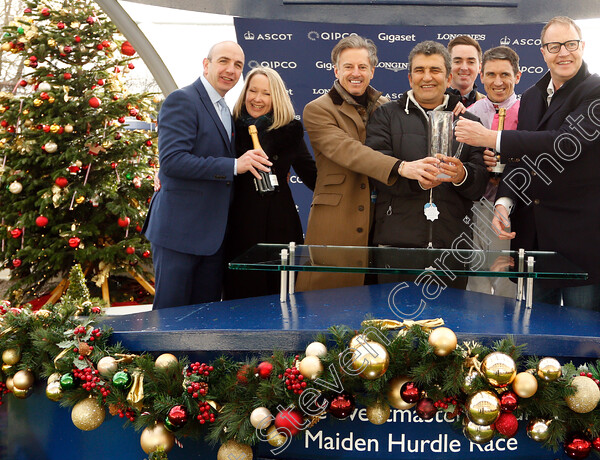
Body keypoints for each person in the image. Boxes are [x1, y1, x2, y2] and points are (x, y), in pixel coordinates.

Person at [455, 17, 600, 310]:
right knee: (532, 338)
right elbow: (521, 159)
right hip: (534, 244)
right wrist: (505, 203)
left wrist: (491, 137)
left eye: (570, 44)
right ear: (543, 52)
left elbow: (565, 143)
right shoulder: (534, 95)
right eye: (554, 46)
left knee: (579, 342)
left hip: (582, 244)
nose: (563, 52)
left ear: (582, 47)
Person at [296, 35, 440, 292]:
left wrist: (456, 107)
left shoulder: (386, 108)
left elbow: (424, 108)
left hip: (383, 224)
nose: (355, 73)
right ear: (336, 69)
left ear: (372, 71)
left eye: (362, 67)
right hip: (338, 222)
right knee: (329, 306)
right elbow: (348, 151)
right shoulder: (317, 109)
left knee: (379, 306)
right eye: (348, 67)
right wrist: (400, 166)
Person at [144, 41, 270, 309]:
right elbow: (172, 161)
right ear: (206, 64)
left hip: (212, 239)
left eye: (238, 65)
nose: (231, 70)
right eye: (224, 61)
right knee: (170, 319)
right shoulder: (183, 99)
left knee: (204, 321)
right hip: (180, 234)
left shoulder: (227, 109)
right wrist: (234, 165)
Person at [365, 40, 488, 287]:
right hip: (397, 247)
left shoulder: (470, 121)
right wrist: (416, 179)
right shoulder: (386, 116)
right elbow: (376, 173)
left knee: (448, 325)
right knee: (395, 323)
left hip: (452, 248)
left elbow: (479, 184)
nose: (427, 77)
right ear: (410, 78)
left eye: (435, 70)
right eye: (420, 70)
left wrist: (462, 175)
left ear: (449, 77)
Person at [222, 67, 317, 299]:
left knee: (282, 294)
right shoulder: (229, 126)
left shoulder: (290, 131)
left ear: (277, 97)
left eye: (266, 93)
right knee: (241, 294)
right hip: (238, 224)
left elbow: (312, 175)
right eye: (252, 91)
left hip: (280, 224)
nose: (257, 98)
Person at [464, 46, 522, 296]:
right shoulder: (469, 114)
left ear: (517, 77)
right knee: (475, 279)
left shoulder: (529, 112)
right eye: (490, 75)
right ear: (481, 76)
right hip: (475, 206)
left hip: (514, 208)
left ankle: (508, 336)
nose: (498, 82)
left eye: (505, 75)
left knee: (507, 282)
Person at [447, 36, 486, 107]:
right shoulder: (433, 102)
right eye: (457, 61)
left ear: (480, 67)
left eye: (471, 62)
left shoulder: (489, 106)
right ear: (447, 66)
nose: (464, 68)